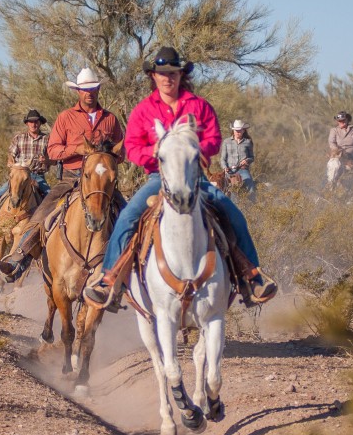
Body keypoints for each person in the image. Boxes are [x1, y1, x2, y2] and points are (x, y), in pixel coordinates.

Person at [83, 46, 277, 309]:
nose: (168, 78)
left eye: (173, 72)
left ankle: (252, 277)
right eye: (162, 73)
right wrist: (152, 153)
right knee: (128, 218)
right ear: (154, 76)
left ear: (180, 75)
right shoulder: (143, 110)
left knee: (232, 214)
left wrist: (198, 151)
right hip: (157, 178)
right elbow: (132, 145)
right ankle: (108, 280)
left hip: (196, 178)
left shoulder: (199, 106)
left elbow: (214, 139)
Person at [0, 68, 125, 282]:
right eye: (84, 90)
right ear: (78, 92)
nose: (88, 93)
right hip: (72, 179)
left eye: (92, 88)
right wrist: (76, 150)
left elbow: (121, 153)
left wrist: (107, 157)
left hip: (100, 184)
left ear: (98, 89)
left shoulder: (111, 120)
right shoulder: (66, 117)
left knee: (127, 214)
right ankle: (18, 261)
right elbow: (53, 151)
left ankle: (133, 267)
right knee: (42, 213)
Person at [0, 109, 51, 208]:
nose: (33, 124)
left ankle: (51, 220)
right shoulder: (19, 138)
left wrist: (46, 160)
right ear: (27, 123)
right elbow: (11, 154)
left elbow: (54, 160)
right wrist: (11, 162)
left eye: (36, 121)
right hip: (19, 174)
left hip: (38, 175)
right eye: (31, 121)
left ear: (40, 123)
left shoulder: (47, 139)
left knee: (50, 196)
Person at [220, 119, 257, 201]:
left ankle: (252, 206)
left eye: (239, 130)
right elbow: (223, 158)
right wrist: (225, 168)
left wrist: (247, 160)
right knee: (220, 188)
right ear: (233, 130)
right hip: (229, 171)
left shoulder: (248, 142)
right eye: (236, 130)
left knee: (250, 187)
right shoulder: (226, 142)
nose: (237, 132)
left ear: (243, 130)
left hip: (243, 170)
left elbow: (252, 157)